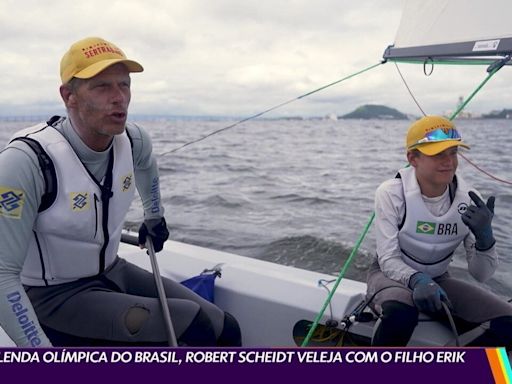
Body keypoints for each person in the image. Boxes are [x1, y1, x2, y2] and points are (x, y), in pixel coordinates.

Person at [0, 36, 241, 347]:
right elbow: (2, 274)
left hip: (113, 272)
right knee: (195, 326)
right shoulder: (26, 162)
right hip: (52, 297)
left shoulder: (134, 139)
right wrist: (41, 355)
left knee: (225, 327)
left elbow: (147, 168)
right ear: (69, 96)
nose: (119, 98)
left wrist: (154, 216)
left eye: (124, 85)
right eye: (102, 87)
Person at [366, 115, 512, 347]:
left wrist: (486, 239)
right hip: (389, 275)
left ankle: (445, 370)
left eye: (453, 152)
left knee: (508, 322)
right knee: (401, 314)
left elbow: (481, 275)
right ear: (413, 158)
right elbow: (388, 258)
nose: (448, 162)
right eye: (437, 154)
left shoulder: (470, 199)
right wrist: (417, 279)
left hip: (439, 278)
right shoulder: (392, 193)